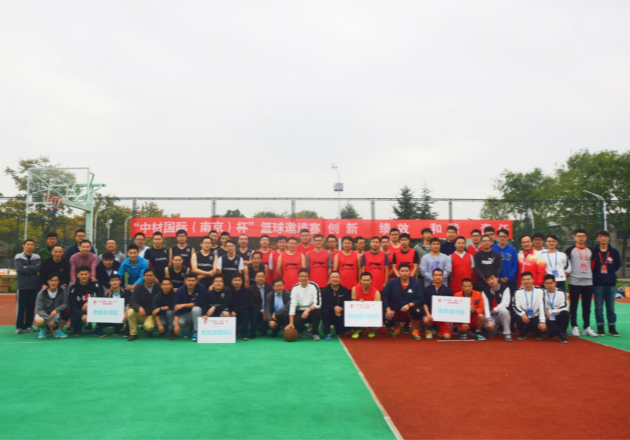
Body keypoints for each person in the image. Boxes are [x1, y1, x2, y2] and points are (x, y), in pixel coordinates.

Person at [565, 229, 597, 338]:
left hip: (588, 281)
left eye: (583, 236)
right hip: (574, 282)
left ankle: (586, 327)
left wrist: (587, 274)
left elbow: (592, 265)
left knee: (587, 306)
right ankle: (574, 326)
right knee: (573, 306)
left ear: (586, 238)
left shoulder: (590, 250)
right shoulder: (570, 250)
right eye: (578, 236)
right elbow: (566, 264)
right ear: (575, 237)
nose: (581, 238)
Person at [592, 230, 621, 336]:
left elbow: (617, 265)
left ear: (608, 238)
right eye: (601, 236)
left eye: (605, 236)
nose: (603, 238)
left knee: (611, 307)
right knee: (598, 307)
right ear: (598, 238)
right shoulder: (594, 252)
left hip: (610, 284)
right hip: (598, 284)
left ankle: (612, 327)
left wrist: (609, 274)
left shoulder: (614, 252)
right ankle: (600, 327)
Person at [382, 263, 423, 339]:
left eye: (406, 271)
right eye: (402, 271)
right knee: (388, 320)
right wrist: (388, 309)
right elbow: (384, 296)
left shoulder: (416, 283)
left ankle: (415, 330)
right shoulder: (392, 282)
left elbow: (420, 298)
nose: (405, 273)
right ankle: (397, 326)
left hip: (410, 308)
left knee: (418, 311)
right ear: (399, 272)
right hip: (396, 308)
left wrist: (409, 305)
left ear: (410, 272)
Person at [285, 269, 322, 341]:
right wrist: (291, 323)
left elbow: (318, 303)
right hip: (300, 311)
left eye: (305, 276)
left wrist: (308, 310)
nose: (303, 278)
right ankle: (303, 329)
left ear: (308, 277)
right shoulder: (295, 288)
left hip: (311, 310)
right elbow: (292, 305)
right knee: (292, 321)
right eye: (301, 276)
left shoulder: (314, 286)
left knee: (318, 312)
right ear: (298, 277)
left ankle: (315, 333)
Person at [15, 239, 41, 334]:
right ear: (24, 245)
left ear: (34, 246)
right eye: (28, 244)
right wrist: (33, 270)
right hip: (22, 286)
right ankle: (19, 326)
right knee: (21, 307)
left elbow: (38, 268)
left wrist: (26, 267)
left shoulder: (37, 256)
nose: (30, 246)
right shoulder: (18, 256)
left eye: (31, 245)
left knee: (31, 307)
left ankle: (28, 325)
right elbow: (19, 270)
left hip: (33, 286)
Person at [173, 273, 209, 341]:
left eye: (193, 281)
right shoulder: (180, 291)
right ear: (185, 281)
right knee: (176, 323)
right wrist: (176, 325)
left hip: (199, 314)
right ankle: (188, 331)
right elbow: (176, 308)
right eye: (189, 280)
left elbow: (201, 303)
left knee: (196, 309)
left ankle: (196, 331)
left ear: (197, 281)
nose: (191, 283)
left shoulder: (202, 288)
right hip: (186, 315)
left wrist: (183, 305)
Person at [67, 266, 102, 336]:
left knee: (104, 312)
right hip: (79, 311)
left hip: (94, 310)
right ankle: (77, 328)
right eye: (82, 274)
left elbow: (101, 299)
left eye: (86, 274)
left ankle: (98, 328)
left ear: (89, 275)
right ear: (77, 275)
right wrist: (82, 314)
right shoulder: (73, 288)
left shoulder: (96, 285)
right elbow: (72, 305)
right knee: (74, 318)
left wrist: (90, 304)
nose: (84, 276)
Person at [512, 272, 547, 340]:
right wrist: (522, 314)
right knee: (518, 316)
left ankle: (537, 332)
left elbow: (542, 306)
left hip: (536, 315)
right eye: (524, 280)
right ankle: (522, 333)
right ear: (522, 281)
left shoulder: (540, 291)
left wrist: (542, 321)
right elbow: (515, 306)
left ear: (533, 280)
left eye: (528, 279)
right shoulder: (518, 292)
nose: (526, 281)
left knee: (544, 330)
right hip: (524, 317)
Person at [94, 273, 131, 337]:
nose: (114, 282)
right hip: (113, 315)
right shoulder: (107, 295)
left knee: (130, 312)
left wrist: (125, 314)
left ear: (120, 282)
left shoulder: (127, 293)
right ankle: (99, 329)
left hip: (124, 314)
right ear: (109, 283)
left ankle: (127, 330)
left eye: (116, 280)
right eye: (112, 280)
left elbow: (129, 304)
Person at [33, 273, 69, 339]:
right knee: (39, 321)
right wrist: (49, 319)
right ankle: (43, 329)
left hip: (56, 313)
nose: (53, 283)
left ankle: (58, 330)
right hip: (44, 314)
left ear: (59, 282)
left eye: (55, 280)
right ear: (48, 281)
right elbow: (39, 309)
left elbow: (65, 303)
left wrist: (56, 310)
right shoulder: (41, 293)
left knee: (68, 311)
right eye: (51, 280)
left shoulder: (62, 291)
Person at [127, 269, 159, 341]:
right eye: (147, 275)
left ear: (154, 276)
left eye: (150, 275)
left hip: (151, 314)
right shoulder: (138, 288)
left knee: (149, 327)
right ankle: (133, 334)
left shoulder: (158, 287)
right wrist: (139, 308)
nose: (149, 277)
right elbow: (132, 302)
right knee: (130, 312)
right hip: (140, 313)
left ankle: (148, 330)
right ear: (143, 277)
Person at [422, 268, 453, 340]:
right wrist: (428, 314)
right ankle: (429, 329)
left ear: (442, 277)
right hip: (431, 316)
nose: (438, 277)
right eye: (436, 275)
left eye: (440, 275)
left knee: (447, 337)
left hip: (443, 317)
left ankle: (439, 329)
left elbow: (451, 306)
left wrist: (449, 319)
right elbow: (424, 303)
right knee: (426, 320)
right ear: (433, 277)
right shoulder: (427, 289)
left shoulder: (448, 291)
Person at [350, 272, 382, 339]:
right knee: (350, 312)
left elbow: (376, 309)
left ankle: (372, 330)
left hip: (370, 313)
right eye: (364, 280)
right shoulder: (354, 289)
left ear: (371, 281)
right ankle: (356, 330)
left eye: (368, 280)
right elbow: (353, 305)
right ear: (360, 281)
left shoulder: (376, 293)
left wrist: (366, 305)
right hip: (358, 312)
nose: (366, 282)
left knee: (379, 316)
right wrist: (358, 303)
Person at [320, 271, 350, 340]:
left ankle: (339, 329)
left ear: (340, 279)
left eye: (337, 277)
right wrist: (334, 308)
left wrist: (341, 309)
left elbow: (348, 303)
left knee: (341, 332)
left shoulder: (345, 290)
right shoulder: (324, 291)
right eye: (333, 277)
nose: (335, 279)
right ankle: (327, 332)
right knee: (324, 311)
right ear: (329, 279)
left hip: (340, 314)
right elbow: (324, 304)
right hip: (330, 314)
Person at [482, 274, 512, 342]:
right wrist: (489, 319)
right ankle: (493, 330)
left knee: (504, 311)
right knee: (487, 325)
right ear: (486, 281)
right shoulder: (485, 291)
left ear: (497, 278)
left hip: (502, 315)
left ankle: (507, 333)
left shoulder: (505, 288)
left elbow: (505, 303)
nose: (491, 281)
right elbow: (485, 306)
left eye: (492, 279)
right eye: (489, 280)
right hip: (492, 316)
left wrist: (494, 310)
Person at [542, 274, 569, 343]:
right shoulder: (542, 293)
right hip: (548, 317)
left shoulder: (562, 293)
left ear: (555, 283)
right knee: (547, 329)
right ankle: (553, 332)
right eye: (547, 283)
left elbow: (564, 306)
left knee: (565, 313)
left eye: (551, 283)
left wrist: (551, 311)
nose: (549, 285)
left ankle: (562, 333)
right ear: (544, 284)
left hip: (557, 315)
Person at [492, 228, 519, 294]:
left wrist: (508, 277)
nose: (502, 238)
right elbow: (492, 266)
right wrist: (498, 278)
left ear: (507, 237)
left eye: (504, 236)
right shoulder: (492, 250)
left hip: (511, 280)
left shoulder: (512, 250)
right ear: (497, 237)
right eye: (501, 236)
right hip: (497, 281)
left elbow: (515, 265)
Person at [248, 270, 272, 338]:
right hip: (256, 309)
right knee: (254, 312)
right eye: (258, 276)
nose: (260, 278)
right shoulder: (250, 289)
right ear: (255, 278)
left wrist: (266, 311)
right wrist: (262, 311)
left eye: (262, 276)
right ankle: (252, 332)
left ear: (265, 278)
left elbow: (271, 302)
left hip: (267, 310)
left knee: (264, 332)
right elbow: (251, 303)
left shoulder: (269, 288)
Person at [229, 274, 251, 341]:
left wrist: (236, 311)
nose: (237, 282)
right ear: (231, 281)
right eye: (235, 280)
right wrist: (232, 311)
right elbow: (227, 303)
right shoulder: (228, 290)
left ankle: (244, 334)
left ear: (242, 281)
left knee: (245, 312)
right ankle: (233, 333)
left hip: (241, 310)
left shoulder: (246, 291)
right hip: (231, 310)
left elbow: (246, 304)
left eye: (239, 280)